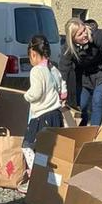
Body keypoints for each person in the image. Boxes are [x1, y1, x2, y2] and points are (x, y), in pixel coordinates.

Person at [19, 35, 67, 194]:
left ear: (33, 53)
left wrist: (27, 96)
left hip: (41, 115)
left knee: (27, 146)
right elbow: (62, 86)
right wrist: (62, 96)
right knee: (49, 151)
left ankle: (35, 178)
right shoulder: (53, 68)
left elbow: (36, 93)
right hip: (56, 115)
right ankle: (48, 182)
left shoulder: (37, 71)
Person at [58, 17, 102, 127]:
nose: (84, 35)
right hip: (84, 75)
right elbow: (64, 69)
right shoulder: (68, 48)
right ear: (73, 39)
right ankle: (81, 129)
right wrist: (62, 90)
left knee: (97, 102)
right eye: (80, 34)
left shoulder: (99, 36)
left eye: (84, 30)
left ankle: (93, 133)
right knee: (82, 104)